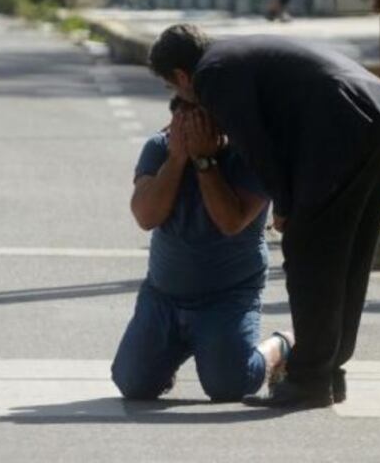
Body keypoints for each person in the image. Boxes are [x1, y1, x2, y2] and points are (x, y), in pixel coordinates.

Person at [147, 24, 380, 409]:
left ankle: (307, 380)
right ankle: (327, 369)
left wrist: (285, 207)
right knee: (347, 258)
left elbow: (256, 146)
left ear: (183, 76)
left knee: (309, 255)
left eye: (174, 89)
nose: (182, 98)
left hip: (345, 130)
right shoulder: (235, 56)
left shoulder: (212, 76)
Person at [111, 98, 293, 402]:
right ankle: (170, 355)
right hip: (164, 296)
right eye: (180, 119)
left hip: (227, 298)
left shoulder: (251, 156)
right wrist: (177, 159)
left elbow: (230, 221)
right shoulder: (160, 148)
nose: (185, 128)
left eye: (197, 121)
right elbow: (146, 216)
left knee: (229, 387)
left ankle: (283, 344)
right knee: (132, 385)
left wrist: (204, 163)